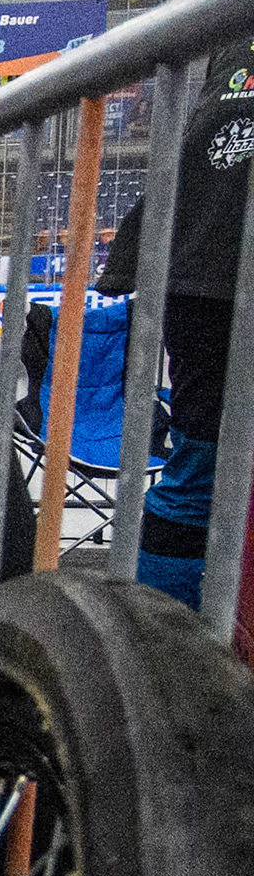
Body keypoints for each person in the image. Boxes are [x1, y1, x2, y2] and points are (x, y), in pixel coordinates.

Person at [97, 34, 253, 608]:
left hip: (196, 266)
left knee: (199, 471)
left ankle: (156, 643)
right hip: (217, 274)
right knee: (203, 472)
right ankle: (166, 647)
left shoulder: (232, 46)